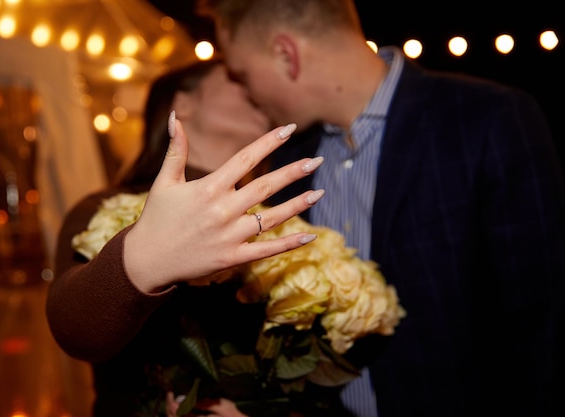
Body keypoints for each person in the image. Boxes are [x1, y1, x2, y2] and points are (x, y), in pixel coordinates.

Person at [197, 1, 565, 416]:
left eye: (242, 75)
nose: (247, 94)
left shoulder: (487, 119)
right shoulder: (290, 161)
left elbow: (540, 324)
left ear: (288, 55)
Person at [46, 58, 326, 416]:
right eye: (236, 77)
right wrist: (146, 258)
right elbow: (74, 332)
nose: (254, 86)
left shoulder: (283, 219)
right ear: (184, 104)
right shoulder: (102, 206)